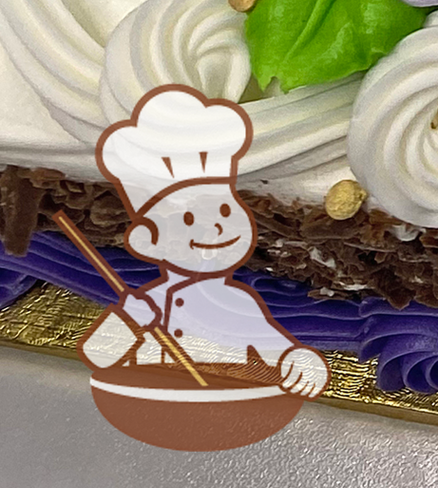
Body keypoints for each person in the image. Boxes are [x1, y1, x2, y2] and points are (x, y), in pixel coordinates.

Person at [78, 85, 327, 396]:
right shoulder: (147, 302)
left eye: (225, 210)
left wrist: (303, 364)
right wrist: (128, 318)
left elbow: (280, 352)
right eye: (188, 220)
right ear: (148, 242)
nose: (218, 229)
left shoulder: (241, 303)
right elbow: (100, 353)